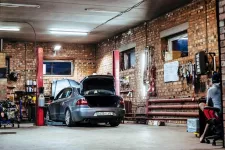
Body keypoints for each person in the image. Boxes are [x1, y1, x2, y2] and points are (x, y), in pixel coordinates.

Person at [199, 72, 222, 143]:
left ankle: (203, 135)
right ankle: (203, 135)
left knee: (201, 105)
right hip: (221, 111)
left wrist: (208, 88)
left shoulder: (211, 90)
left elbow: (207, 103)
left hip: (217, 113)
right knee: (211, 117)